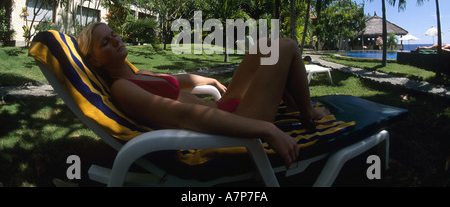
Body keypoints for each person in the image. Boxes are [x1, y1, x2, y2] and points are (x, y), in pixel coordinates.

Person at [78, 22, 329, 168]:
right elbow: (185, 116)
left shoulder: (138, 73)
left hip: (223, 110)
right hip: (230, 126)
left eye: (113, 35)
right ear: (94, 61)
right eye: (105, 43)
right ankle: (306, 113)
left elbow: (178, 81)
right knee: (284, 47)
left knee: (265, 47)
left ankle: (298, 104)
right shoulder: (122, 87)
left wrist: (210, 80)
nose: (115, 40)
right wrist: (266, 129)